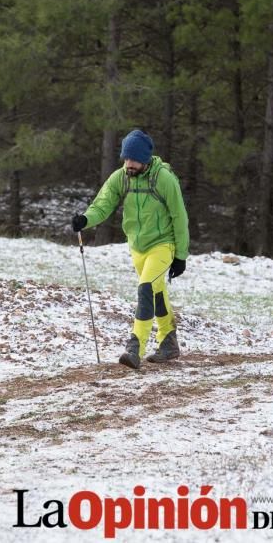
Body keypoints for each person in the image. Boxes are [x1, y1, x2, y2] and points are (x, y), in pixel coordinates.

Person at [71, 129, 189, 370]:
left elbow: (180, 217)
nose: (128, 164)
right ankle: (169, 342)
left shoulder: (164, 179)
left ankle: (135, 348)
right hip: (138, 247)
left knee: (145, 288)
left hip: (163, 245)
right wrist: (85, 220)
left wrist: (180, 256)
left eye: (133, 160)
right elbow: (102, 205)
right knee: (156, 293)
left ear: (145, 159)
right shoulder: (121, 177)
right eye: (125, 159)